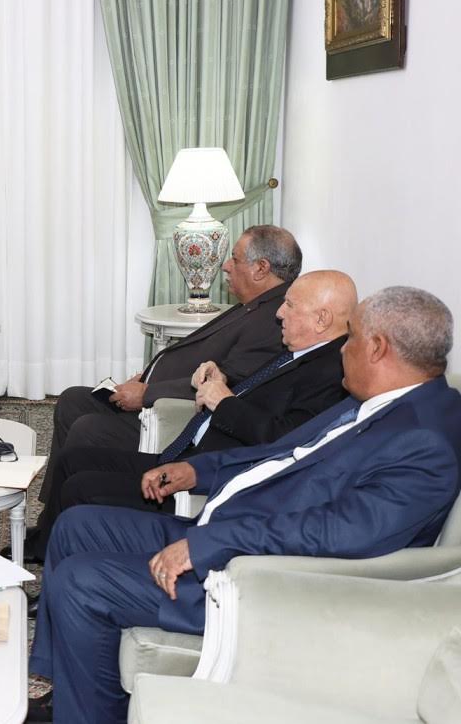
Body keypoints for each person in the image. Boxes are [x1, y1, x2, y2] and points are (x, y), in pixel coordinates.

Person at [26, 286, 461, 723]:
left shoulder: (426, 443)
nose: (343, 349)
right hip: (230, 532)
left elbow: (338, 533)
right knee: (76, 526)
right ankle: (62, 690)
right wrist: (198, 471)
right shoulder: (378, 402)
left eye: (352, 339)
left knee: (82, 582)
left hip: (258, 576)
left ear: (378, 348)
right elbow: (281, 453)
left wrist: (210, 543)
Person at [24, 270, 356, 563]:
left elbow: (284, 441)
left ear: (322, 319)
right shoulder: (299, 353)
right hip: (186, 454)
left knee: (81, 487)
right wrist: (223, 380)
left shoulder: (329, 373)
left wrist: (224, 401)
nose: (280, 313)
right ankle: (44, 549)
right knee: (72, 460)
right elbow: (259, 397)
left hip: (206, 478)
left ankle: (64, 569)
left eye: (291, 305)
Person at [39, 225, 301, 507]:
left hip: (173, 415)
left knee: (88, 428)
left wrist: (146, 394)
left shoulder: (274, 320)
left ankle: (71, 514)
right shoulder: (257, 304)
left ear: (261, 268)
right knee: (72, 400)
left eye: (235, 259)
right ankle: (50, 515)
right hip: (156, 397)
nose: (226, 266)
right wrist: (148, 376)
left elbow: (231, 383)